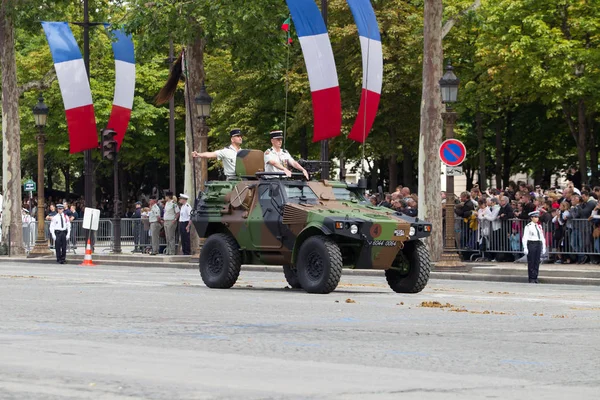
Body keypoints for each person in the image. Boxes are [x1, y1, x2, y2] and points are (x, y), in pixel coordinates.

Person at [522, 211, 546, 283]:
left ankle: (535, 277)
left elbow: (542, 237)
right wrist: (525, 247)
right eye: (535, 217)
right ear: (531, 218)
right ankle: (531, 278)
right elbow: (525, 237)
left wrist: (544, 246)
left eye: (537, 217)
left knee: (537, 261)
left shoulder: (539, 226)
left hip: (538, 243)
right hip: (531, 243)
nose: (537, 218)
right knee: (531, 261)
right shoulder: (528, 226)